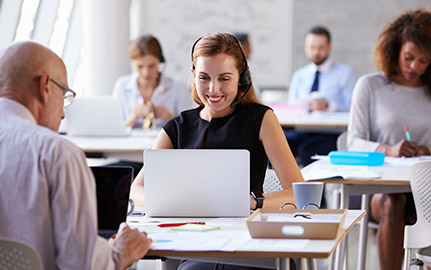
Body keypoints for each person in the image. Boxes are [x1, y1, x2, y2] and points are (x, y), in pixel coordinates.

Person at [130, 32, 304, 269]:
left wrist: (252, 202)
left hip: (251, 245)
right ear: (193, 76)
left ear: (241, 79)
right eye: (204, 77)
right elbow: (136, 189)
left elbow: (297, 194)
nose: (213, 88)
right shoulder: (177, 128)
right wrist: (175, 202)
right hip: (197, 245)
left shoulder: (261, 119)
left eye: (224, 78)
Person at [0, 41, 152, 270]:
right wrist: (119, 254)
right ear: (45, 87)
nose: (62, 113)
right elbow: (84, 265)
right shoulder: (57, 154)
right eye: (65, 95)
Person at [347, 9, 431, 270]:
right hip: (380, 190)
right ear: (396, 47)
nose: (414, 67)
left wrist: (426, 150)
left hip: (425, 189)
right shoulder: (370, 86)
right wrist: (388, 149)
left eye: (423, 61)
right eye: (409, 57)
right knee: (394, 201)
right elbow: (353, 142)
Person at [286, 26, 356, 166]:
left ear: (329, 47)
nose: (316, 52)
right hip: (303, 130)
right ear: (306, 48)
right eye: (312, 47)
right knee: (275, 144)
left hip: (331, 133)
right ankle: (273, 186)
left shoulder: (345, 73)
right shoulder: (300, 75)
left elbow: (353, 108)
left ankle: (312, 189)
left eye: (321, 47)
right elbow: (291, 107)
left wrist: (329, 106)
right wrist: (304, 105)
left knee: (308, 151)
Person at [113, 34, 194, 129]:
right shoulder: (122, 86)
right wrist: (133, 117)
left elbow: (190, 129)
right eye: (140, 66)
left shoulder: (178, 87)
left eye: (151, 66)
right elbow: (115, 130)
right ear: (132, 63)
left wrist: (168, 117)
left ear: (160, 61)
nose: (146, 73)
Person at [232, 32, 262, 97]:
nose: (251, 50)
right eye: (248, 46)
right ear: (241, 48)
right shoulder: (240, 69)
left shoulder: (246, 66)